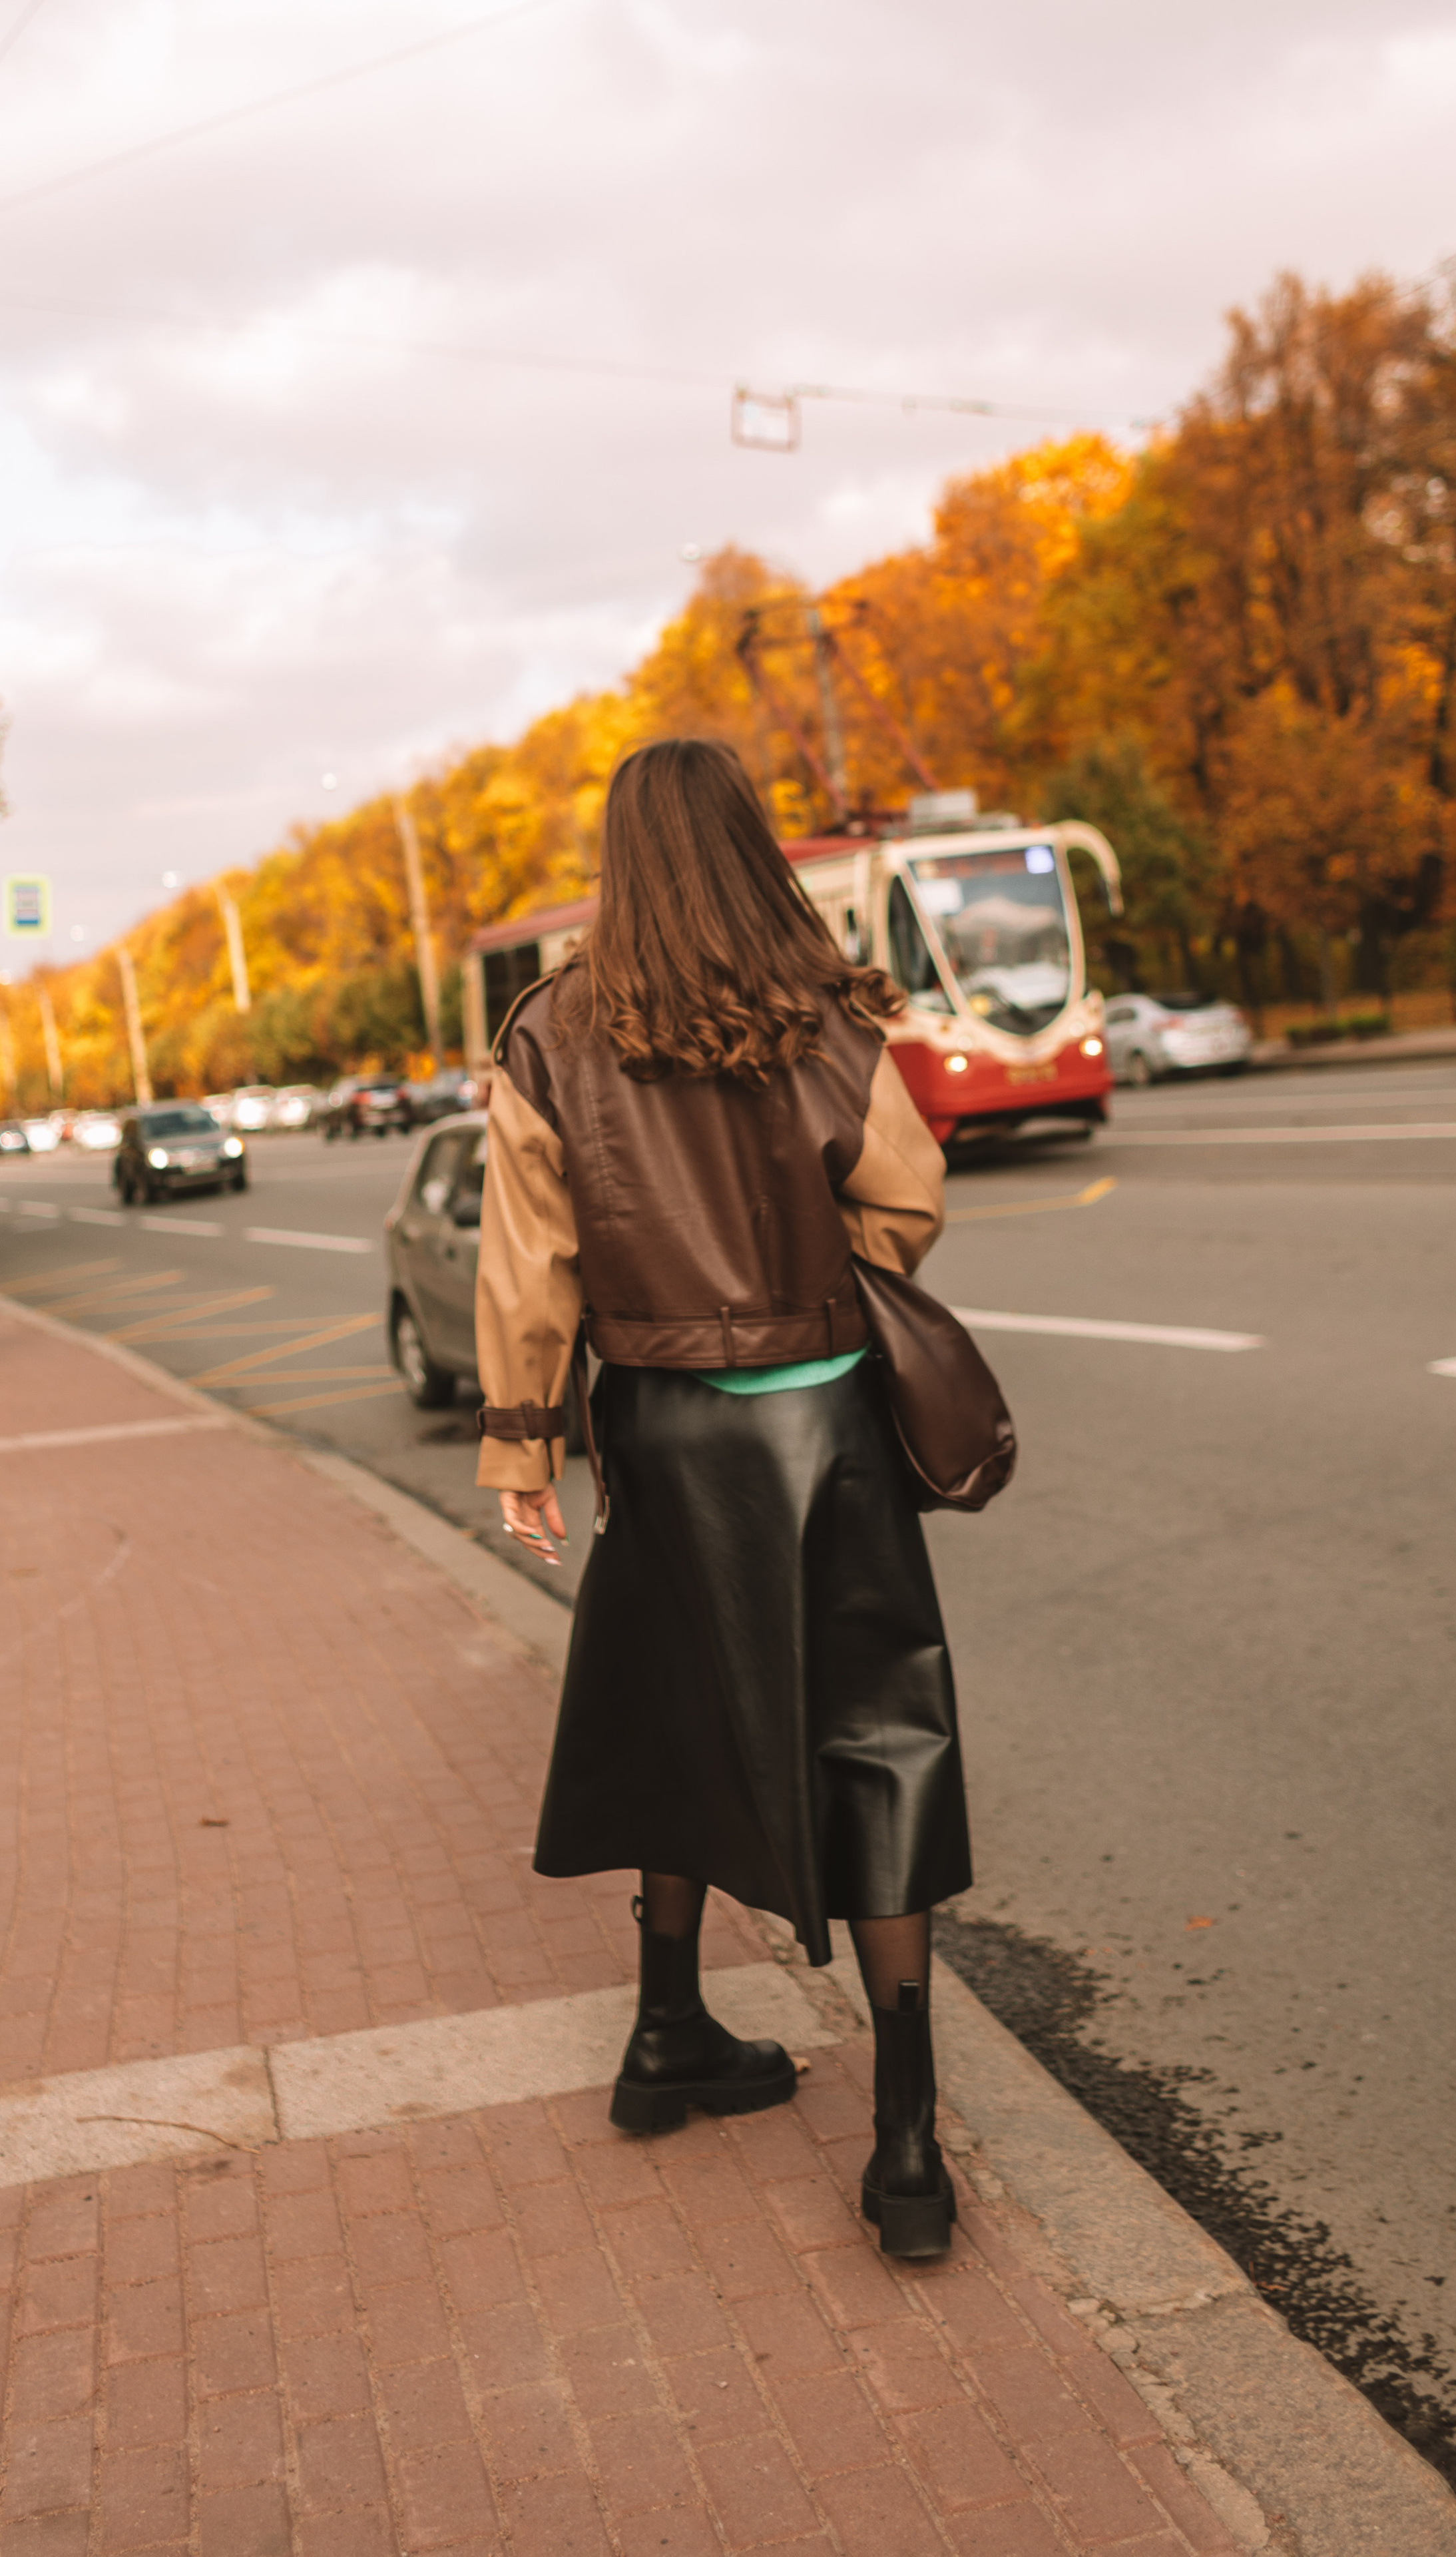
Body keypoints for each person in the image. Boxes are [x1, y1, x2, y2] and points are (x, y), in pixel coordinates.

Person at [473, 737, 973, 2258]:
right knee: (881, 1739)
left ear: (621, 861)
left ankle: (664, 2035)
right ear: (750, 845)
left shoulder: (551, 1031)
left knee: (673, 1715)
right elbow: (906, 1197)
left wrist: (521, 1451)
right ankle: (905, 2143)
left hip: (663, 1429)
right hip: (828, 1429)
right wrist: (816, 1288)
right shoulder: (824, 1015)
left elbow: (529, 1261)